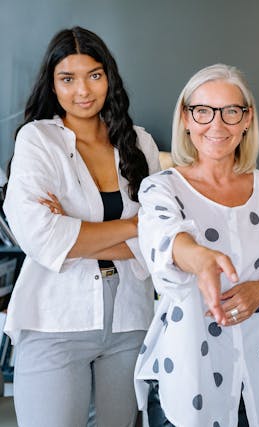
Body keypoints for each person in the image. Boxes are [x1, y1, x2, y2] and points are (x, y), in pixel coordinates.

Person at [133, 64, 259, 427]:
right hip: (187, 378)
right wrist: (201, 259)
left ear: (247, 120)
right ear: (185, 118)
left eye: (231, 112)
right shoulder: (161, 188)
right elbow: (166, 241)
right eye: (203, 111)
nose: (216, 125)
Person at [3, 27, 160, 427]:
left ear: (109, 77)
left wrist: (75, 231)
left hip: (129, 319)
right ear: (52, 86)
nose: (83, 90)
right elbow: (40, 237)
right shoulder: (38, 141)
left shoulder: (139, 145)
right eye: (67, 79)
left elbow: (159, 240)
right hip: (55, 317)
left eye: (94, 74)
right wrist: (133, 226)